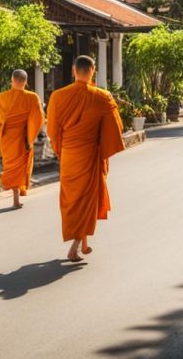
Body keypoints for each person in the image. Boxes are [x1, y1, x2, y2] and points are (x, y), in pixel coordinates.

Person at [46, 55, 125, 262]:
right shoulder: (103, 97)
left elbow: (53, 131)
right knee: (87, 201)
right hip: (89, 155)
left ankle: (84, 243)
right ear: (93, 71)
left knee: (72, 201)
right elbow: (115, 129)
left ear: (73, 71)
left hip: (69, 156)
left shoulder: (57, 96)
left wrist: (60, 151)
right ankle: (75, 246)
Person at [0, 69, 45, 209]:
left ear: (12, 80)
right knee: (20, 168)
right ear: (25, 82)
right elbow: (38, 119)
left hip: (8, 139)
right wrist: (30, 137)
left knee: (11, 167)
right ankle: (16, 198)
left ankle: (15, 198)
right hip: (23, 138)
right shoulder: (32, 97)